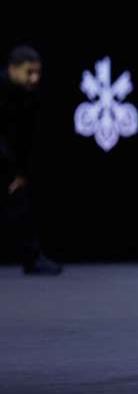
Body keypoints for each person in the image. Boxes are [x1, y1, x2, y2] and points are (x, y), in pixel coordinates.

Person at [1, 46, 62, 275]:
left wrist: (20, 173)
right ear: (13, 69)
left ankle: (33, 259)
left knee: (20, 202)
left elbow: (25, 138)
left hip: (8, 162)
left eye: (37, 73)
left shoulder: (29, 95)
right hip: (3, 161)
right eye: (29, 72)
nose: (34, 78)